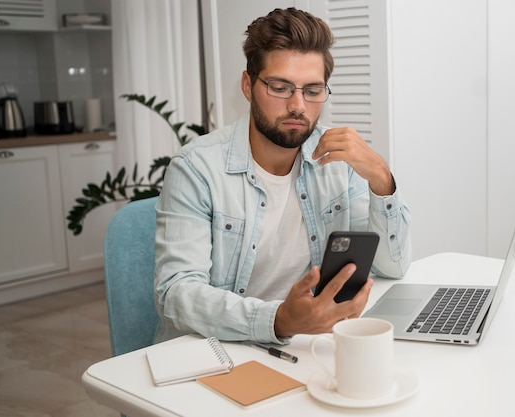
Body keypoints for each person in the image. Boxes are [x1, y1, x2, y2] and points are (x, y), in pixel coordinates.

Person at [154, 7, 412, 345]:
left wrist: (381, 178)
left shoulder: (338, 160)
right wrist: (278, 320)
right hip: (220, 349)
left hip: (308, 345)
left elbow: (392, 267)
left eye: (313, 90)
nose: (298, 106)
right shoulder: (195, 168)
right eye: (280, 87)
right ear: (248, 85)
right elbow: (175, 294)